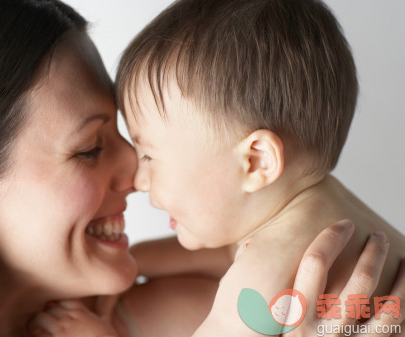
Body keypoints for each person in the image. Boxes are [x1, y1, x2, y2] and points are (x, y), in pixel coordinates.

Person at [0, 1, 402, 337]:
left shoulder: (213, 298)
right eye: (89, 148)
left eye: (133, 141)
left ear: (256, 160)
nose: (136, 176)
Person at [111, 0, 405, 335]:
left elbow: (246, 261)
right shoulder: (324, 208)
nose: (139, 179)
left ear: (256, 161)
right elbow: (230, 251)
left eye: (148, 156)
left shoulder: (261, 279)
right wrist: (133, 262)